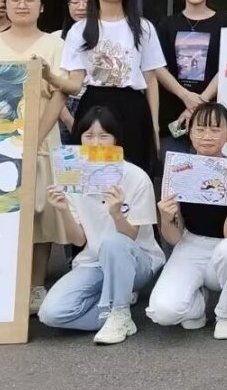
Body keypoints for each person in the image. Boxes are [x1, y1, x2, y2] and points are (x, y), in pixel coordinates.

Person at [0, 0, 72, 314]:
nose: (22, 5)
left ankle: (35, 286)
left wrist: (36, 137)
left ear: (42, 6)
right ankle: (0, 284)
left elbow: (60, 93)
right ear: (5, 4)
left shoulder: (55, 44)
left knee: (39, 212)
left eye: (30, 0)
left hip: (41, 139)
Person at [38, 105, 166, 344]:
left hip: (136, 261)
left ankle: (119, 311)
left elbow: (132, 237)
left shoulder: (136, 177)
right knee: (51, 314)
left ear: (116, 140)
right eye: (88, 136)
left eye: (103, 136)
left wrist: (116, 213)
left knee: (114, 242)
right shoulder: (72, 177)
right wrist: (63, 209)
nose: (95, 143)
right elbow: (79, 240)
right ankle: (114, 309)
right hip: (94, 261)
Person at [145, 102, 227, 339]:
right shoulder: (179, 169)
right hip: (190, 244)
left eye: (215, 129)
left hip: (223, 248)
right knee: (163, 312)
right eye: (200, 129)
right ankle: (197, 304)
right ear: (190, 133)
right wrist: (166, 217)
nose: (207, 136)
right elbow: (174, 238)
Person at [59, 0, 168, 175]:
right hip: (93, 104)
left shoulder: (143, 27)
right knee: (89, 173)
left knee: (133, 171)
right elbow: (73, 82)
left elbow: (151, 80)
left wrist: (154, 124)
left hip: (132, 107)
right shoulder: (79, 30)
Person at [157, 0, 227, 153]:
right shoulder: (167, 24)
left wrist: (197, 104)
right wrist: (184, 95)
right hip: (173, 114)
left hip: (212, 116)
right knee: (175, 167)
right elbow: (157, 66)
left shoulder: (225, 22)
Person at [59, 0, 92, 135]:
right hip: (63, 106)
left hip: (94, 104)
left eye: (87, 2)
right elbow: (50, 85)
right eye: (75, 2)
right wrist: (67, 119)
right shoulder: (55, 38)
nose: (81, 7)